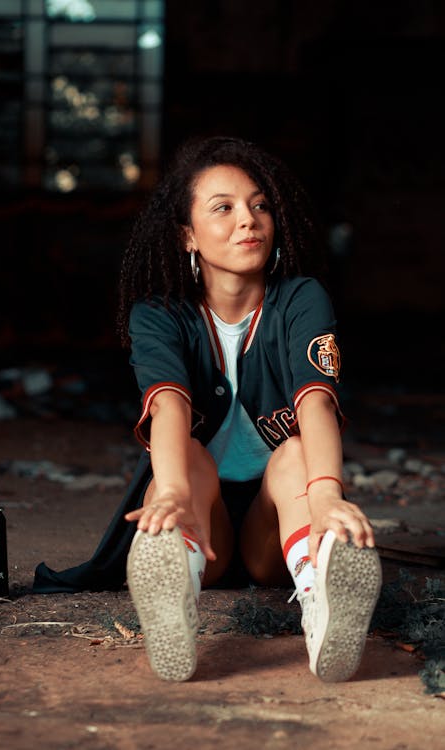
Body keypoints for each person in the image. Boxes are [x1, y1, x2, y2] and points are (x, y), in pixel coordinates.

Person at [33, 134, 382, 684]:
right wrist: (170, 492)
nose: (248, 219)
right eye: (223, 208)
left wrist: (328, 495)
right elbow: (168, 403)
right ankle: (177, 582)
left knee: (293, 454)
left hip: (277, 525)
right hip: (205, 520)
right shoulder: (158, 315)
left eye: (260, 205)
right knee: (186, 461)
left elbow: (315, 397)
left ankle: (321, 591)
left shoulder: (301, 297)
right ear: (188, 235)